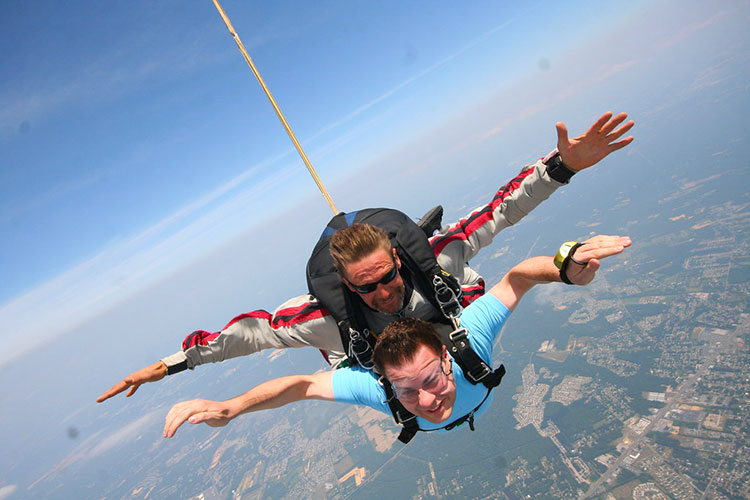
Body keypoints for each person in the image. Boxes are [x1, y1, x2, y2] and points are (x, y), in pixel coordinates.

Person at [98, 111, 634, 404]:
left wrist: (561, 167)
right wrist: (171, 365)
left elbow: (499, 210)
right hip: (392, 368)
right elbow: (247, 333)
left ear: (400, 259)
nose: (382, 293)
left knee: (461, 277)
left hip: (447, 329)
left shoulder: (435, 260)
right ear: (347, 287)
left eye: (386, 277)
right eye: (366, 289)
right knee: (317, 338)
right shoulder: (328, 317)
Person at [162, 234, 631, 439]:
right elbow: (300, 386)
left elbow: (518, 278)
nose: (426, 400)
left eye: (429, 378)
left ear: (448, 359)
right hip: (364, 351)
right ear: (389, 383)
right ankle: (340, 333)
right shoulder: (379, 386)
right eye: (406, 390)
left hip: (438, 331)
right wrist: (230, 409)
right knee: (335, 352)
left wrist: (567, 266)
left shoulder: (469, 345)